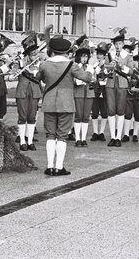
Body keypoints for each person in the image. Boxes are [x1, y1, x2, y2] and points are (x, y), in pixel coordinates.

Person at [36, 37, 94, 176]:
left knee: (50, 135)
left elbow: (40, 78)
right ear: (66, 51)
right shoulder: (71, 65)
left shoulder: (44, 64)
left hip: (49, 102)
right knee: (61, 136)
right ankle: (59, 167)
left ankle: (49, 167)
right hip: (66, 103)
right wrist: (91, 70)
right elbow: (87, 78)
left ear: (53, 50)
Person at [106, 34, 135, 147]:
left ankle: (119, 137)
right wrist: (110, 66)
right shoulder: (110, 55)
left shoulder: (127, 56)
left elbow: (131, 71)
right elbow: (105, 70)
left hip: (122, 84)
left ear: (123, 44)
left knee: (121, 110)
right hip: (110, 84)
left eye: (119, 44)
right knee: (111, 110)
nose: (117, 46)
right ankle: (113, 136)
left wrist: (121, 65)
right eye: (116, 44)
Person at [13, 42, 42, 151]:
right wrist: (19, 69)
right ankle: (22, 141)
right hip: (22, 91)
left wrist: (32, 71)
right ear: (28, 55)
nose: (36, 56)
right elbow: (11, 76)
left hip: (34, 91)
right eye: (33, 54)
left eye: (36, 54)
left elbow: (41, 76)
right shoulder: (20, 63)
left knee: (31, 116)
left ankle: (30, 141)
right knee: (22, 116)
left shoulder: (39, 65)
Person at [72, 45, 94, 147]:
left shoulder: (90, 67)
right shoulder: (76, 67)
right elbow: (76, 81)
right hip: (78, 93)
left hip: (89, 93)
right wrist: (85, 79)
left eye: (86, 56)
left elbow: (93, 79)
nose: (85, 59)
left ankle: (83, 138)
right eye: (83, 56)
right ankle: (77, 139)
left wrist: (85, 79)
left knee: (86, 116)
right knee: (78, 116)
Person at [90, 43, 110, 141]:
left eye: (101, 54)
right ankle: (95, 132)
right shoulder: (94, 64)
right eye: (98, 54)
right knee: (94, 112)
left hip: (105, 89)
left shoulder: (107, 65)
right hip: (96, 89)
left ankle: (101, 132)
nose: (99, 56)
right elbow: (92, 75)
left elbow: (109, 75)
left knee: (104, 112)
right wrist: (96, 68)